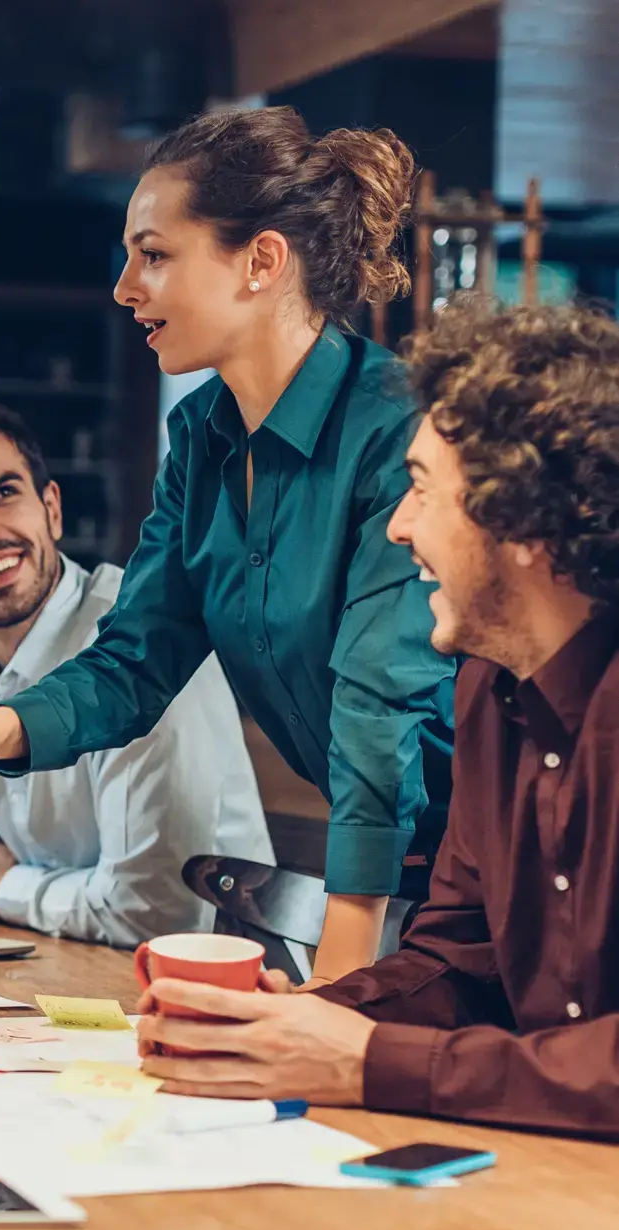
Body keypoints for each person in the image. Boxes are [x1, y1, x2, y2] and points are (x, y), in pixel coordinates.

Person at [0, 106, 458, 980]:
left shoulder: (395, 427)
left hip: (511, 851)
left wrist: (339, 987)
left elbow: (376, 709)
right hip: (420, 876)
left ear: (261, 262)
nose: (125, 288)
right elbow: (134, 657)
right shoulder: (200, 441)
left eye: (153, 255)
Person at [135, 298, 619, 1142]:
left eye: (421, 489)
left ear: (524, 521)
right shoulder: (488, 693)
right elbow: (455, 963)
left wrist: (365, 1060)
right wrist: (312, 1019)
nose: (397, 525)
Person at [0, 398, 272, 948]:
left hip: (222, 969)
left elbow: (157, 913)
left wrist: (3, 887)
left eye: (2, 493)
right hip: (62, 959)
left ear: (51, 509)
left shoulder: (145, 643)